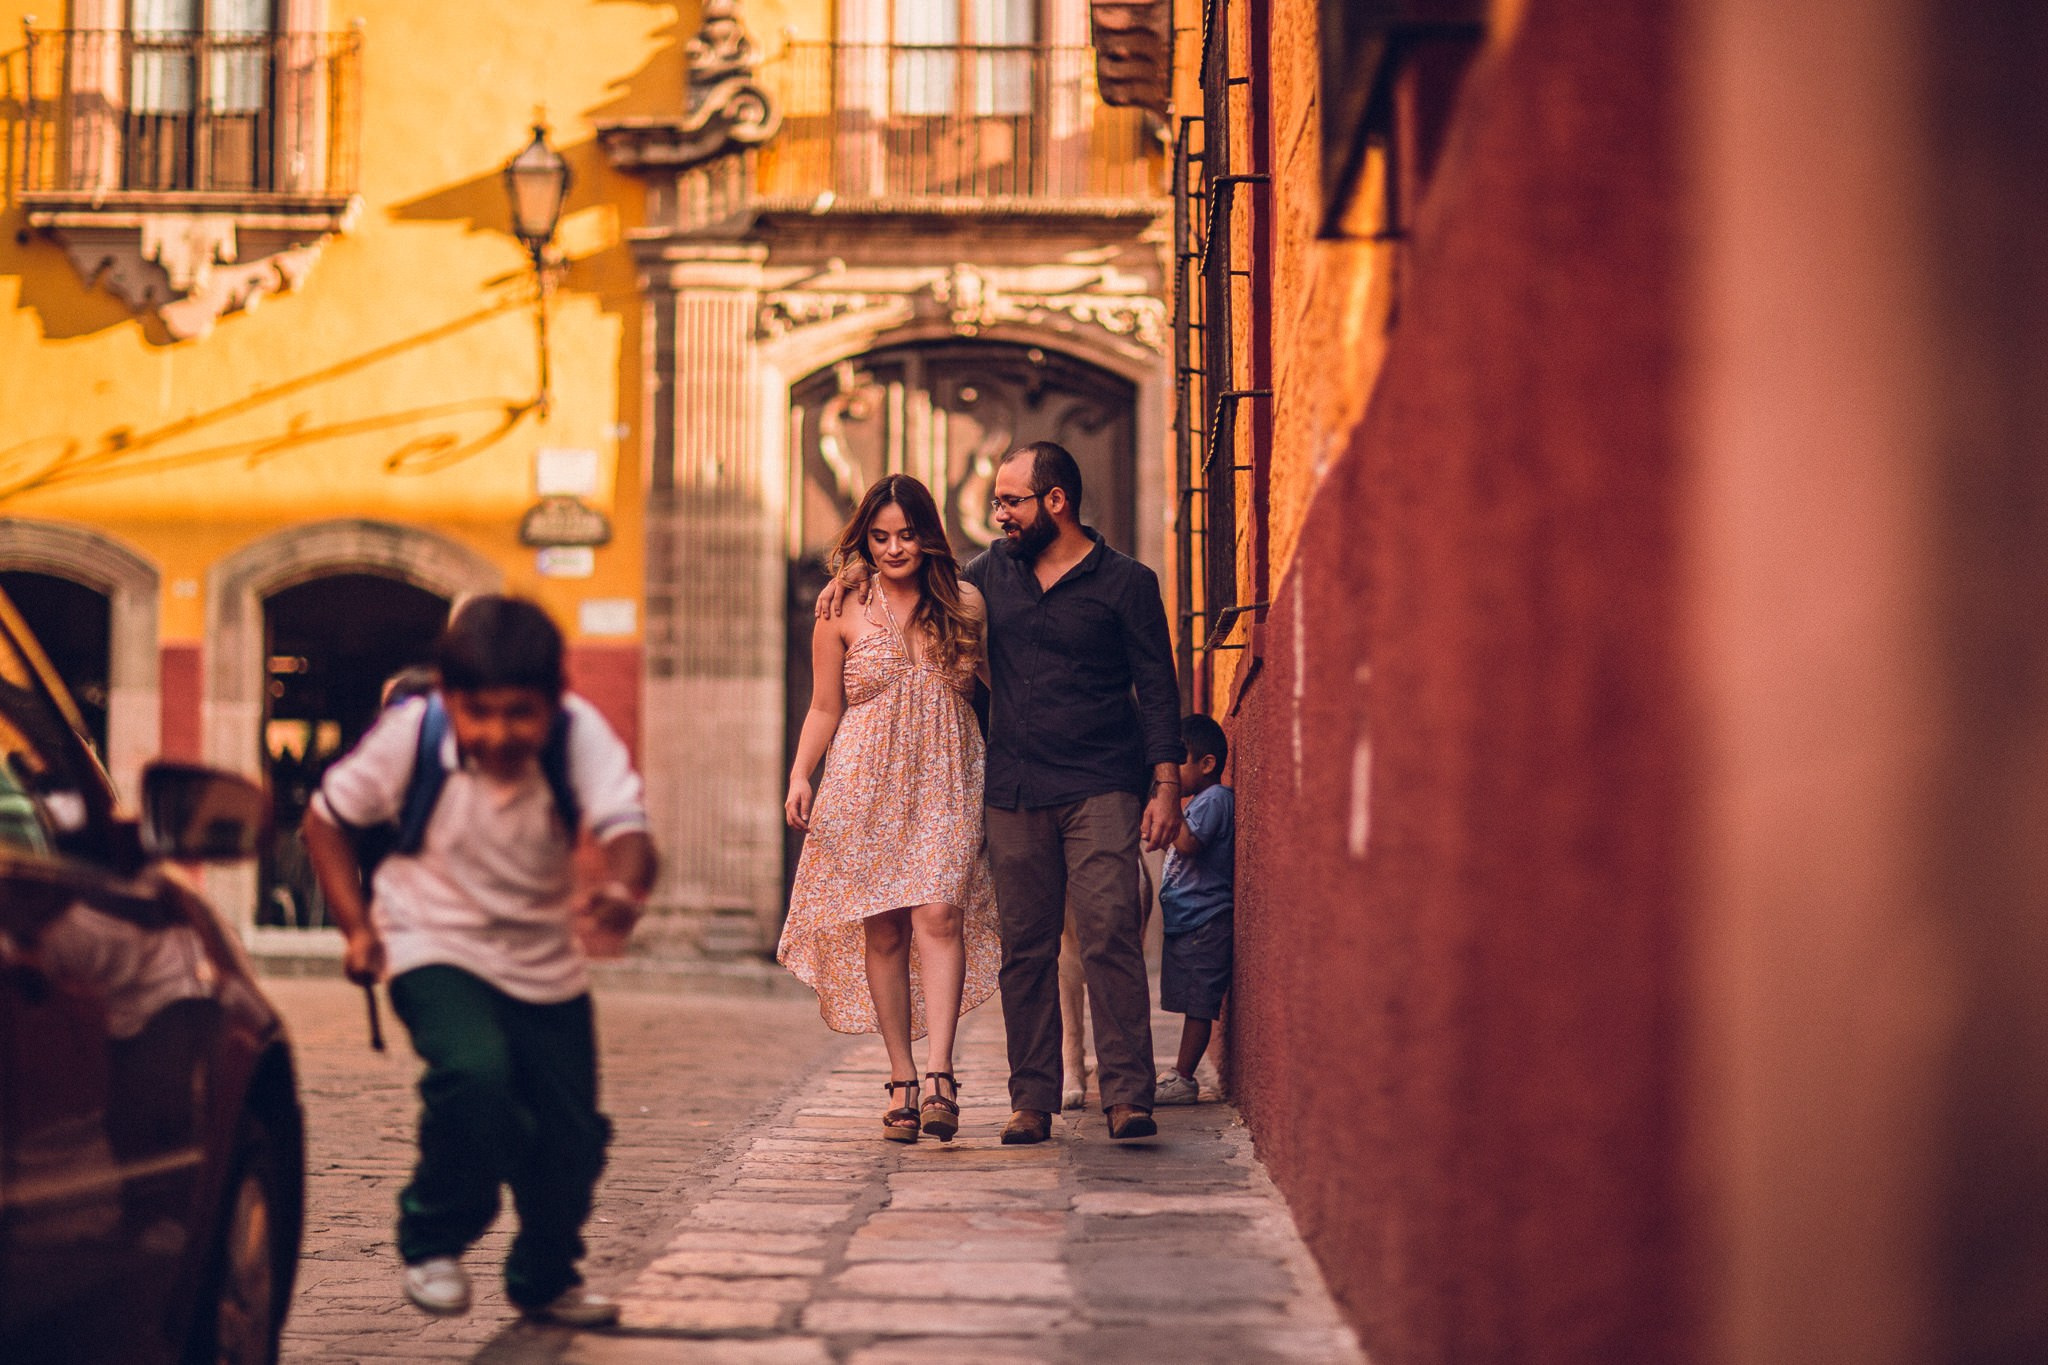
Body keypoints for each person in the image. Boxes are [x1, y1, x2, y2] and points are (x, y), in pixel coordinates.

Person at [302, 596, 657, 1326]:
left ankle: (544, 1276)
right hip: (430, 938)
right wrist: (356, 927)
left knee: (571, 1135)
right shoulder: (411, 734)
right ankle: (432, 1236)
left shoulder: (577, 734)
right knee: (475, 1076)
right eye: (481, 713)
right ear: (450, 699)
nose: (500, 734)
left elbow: (629, 830)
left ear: (553, 702)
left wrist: (624, 887)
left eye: (520, 714)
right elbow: (327, 818)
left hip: (542, 958)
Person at [823, 441, 1184, 1144]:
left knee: (1110, 927)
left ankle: (1127, 1094)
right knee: (1026, 944)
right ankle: (1033, 1099)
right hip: (1014, 785)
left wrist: (1166, 781)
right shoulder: (986, 580)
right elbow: (911, 569)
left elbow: (1159, 687)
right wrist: (850, 571)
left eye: (1010, 501)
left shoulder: (1128, 583)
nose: (998, 514)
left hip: (1104, 779)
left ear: (1056, 502)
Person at [780, 474, 1000, 1143]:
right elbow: (824, 704)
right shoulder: (841, 606)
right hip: (863, 778)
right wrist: (800, 773)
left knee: (939, 910)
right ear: (864, 538)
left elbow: (1002, 683)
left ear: (928, 534)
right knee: (882, 930)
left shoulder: (964, 601)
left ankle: (940, 1075)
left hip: (945, 771)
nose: (894, 547)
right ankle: (902, 1075)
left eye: (906, 534)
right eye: (879, 536)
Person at [1153, 714, 1235, 1105]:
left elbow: (1188, 844)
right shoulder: (1197, 802)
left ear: (1206, 764)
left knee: (1200, 1003)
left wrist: (1165, 808)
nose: (1170, 772)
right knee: (1188, 998)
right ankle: (1180, 1072)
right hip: (1188, 921)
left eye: (1177, 760)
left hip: (1207, 920)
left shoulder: (1215, 799)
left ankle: (1185, 1077)